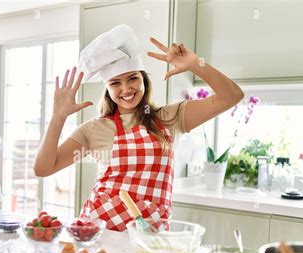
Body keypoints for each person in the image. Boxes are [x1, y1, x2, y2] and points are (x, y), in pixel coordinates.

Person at [34, 24, 244, 231]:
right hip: (100, 233)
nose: (126, 89)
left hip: (149, 238)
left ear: (143, 78)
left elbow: (232, 96)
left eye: (132, 78)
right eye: (115, 83)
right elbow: (43, 168)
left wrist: (195, 64)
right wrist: (57, 117)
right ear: (107, 88)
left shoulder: (171, 117)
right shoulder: (94, 129)